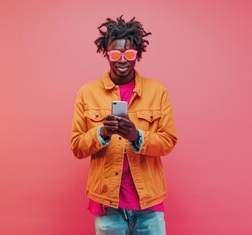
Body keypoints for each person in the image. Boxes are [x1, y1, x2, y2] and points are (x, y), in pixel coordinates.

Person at [70, 16, 177, 235]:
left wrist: (137, 136)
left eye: (129, 53)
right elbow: (77, 147)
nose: (122, 60)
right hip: (107, 203)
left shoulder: (158, 92)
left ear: (137, 54)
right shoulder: (87, 93)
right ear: (106, 54)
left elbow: (168, 141)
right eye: (115, 53)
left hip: (149, 203)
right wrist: (102, 133)